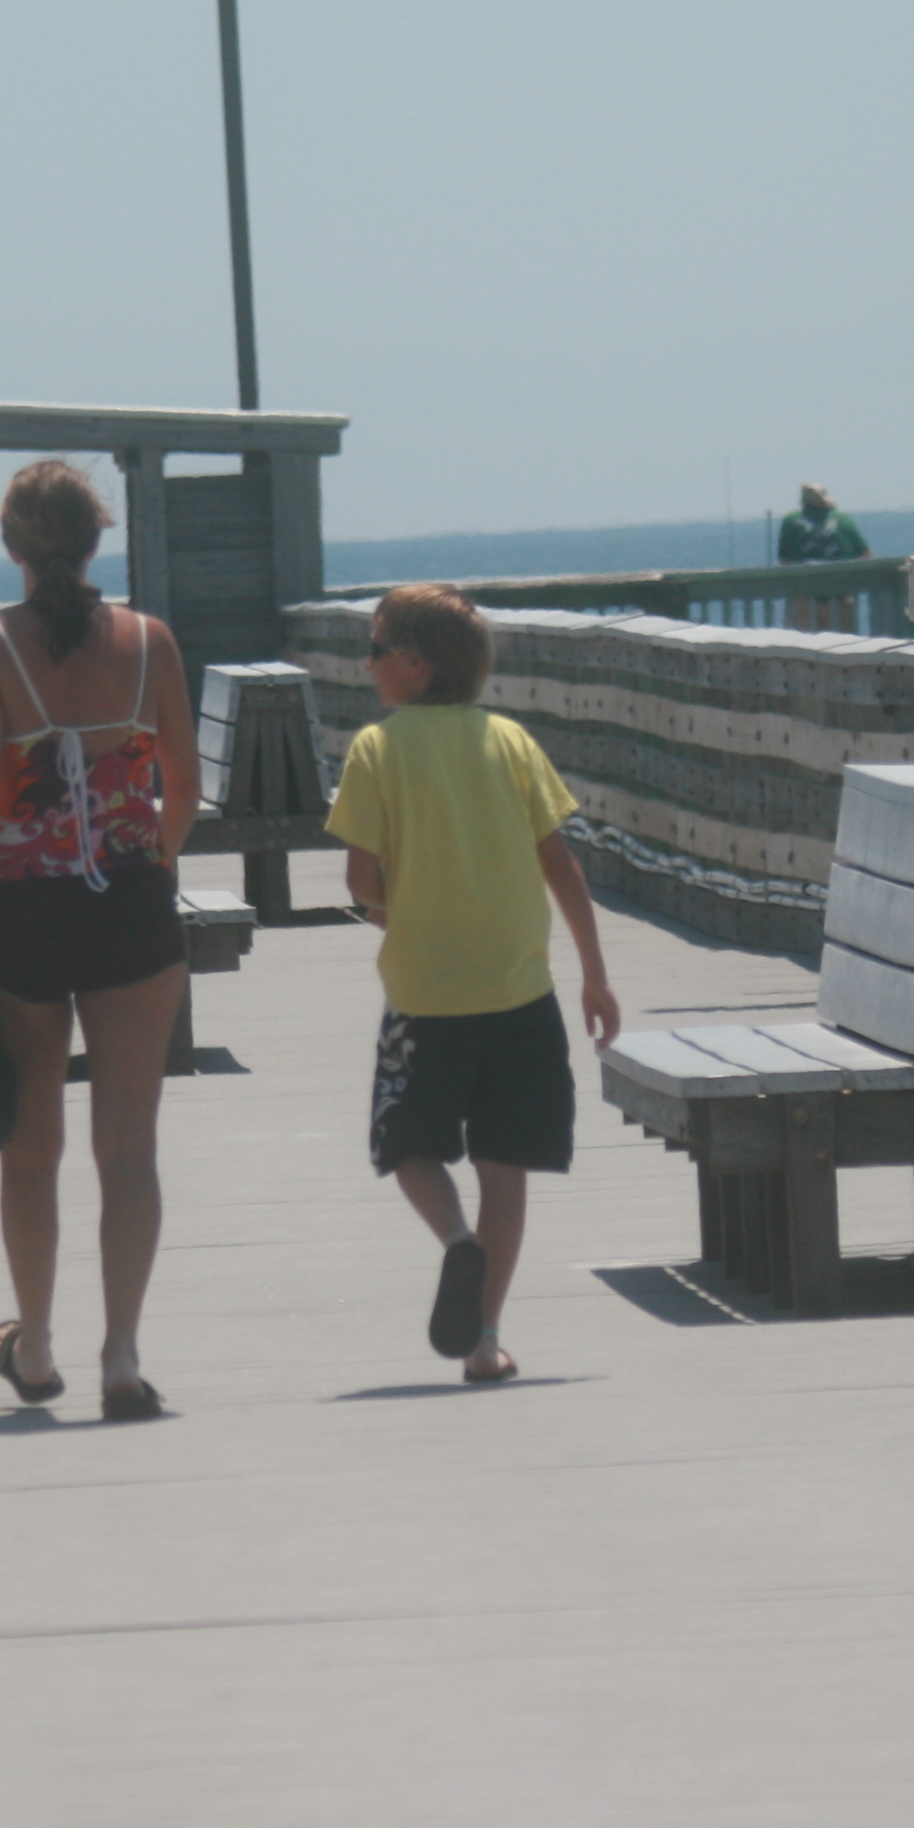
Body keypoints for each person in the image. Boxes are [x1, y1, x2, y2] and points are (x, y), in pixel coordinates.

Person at [0, 463, 198, 1422]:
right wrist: (150, 863)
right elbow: (185, 786)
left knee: (31, 1151)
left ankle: (34, 1348)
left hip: (22, 916)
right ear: (98, 539)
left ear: (11, 546)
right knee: (129, 1149)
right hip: (132, 911)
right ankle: (122, 1359)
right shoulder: (151, 642)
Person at [326, 585, 622, 1384]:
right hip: (520, 990)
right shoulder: (511, 741)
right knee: (505, 1164)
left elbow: (361, 882)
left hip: (425, 994)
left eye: (377, 649)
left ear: (414, 664)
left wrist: (395, 911)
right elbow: (560, 863)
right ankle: (485, 1340)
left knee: (407, 1147)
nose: (367, 664)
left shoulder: (377, 750)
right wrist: (595, 976)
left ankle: (458, 1241)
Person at [777, 483, 869, 630]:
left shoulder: (790, 521)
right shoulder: (843, 520)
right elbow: (865, 556)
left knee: (800, 640)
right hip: (839, 595)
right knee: (843, 641)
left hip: (802, 596)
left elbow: (784, 560)